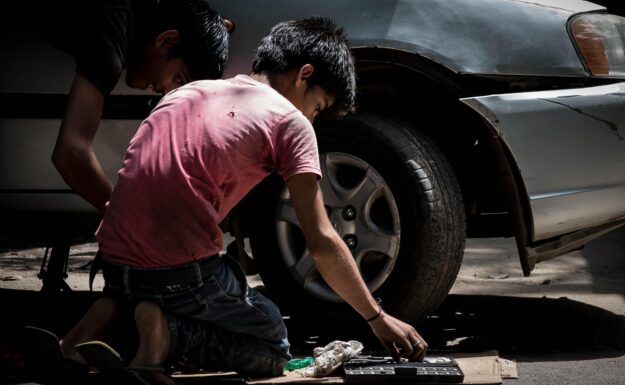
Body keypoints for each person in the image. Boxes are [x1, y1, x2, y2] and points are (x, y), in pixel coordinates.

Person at [50, 16, 428, 385]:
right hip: (175, 279)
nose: (312, 118)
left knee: (183, 277)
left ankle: (101, 320)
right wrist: (377, 318)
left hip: (115, 265)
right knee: (272, 345)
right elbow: (322, 242)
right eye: (318, 106)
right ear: (305, 75)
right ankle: (166, 333)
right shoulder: (289, 123)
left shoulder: (186, 91)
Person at [17, 0, 230, 213]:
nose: (167, 94)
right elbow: (72, 153)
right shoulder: (112, 26)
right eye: (179, 80)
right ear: (166, 40)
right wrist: (130, 218)